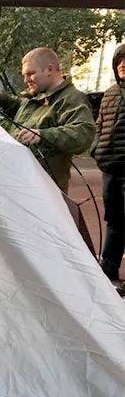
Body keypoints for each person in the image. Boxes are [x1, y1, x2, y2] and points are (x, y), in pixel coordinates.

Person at [0, 47, 95, 193]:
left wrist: (43, 135)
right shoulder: (37, 94)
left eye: (30, 73)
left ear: (49, 69)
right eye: (24, 75)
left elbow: (83, 133)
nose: (26, 80)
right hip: (18, 181)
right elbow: (24, 108)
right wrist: (2, 99)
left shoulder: (72, 99)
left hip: (43, 189)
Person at [92, 44, 125, 285]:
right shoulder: (111, 93)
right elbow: (99, 123)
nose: (123, 64)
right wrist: (96, 148)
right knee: (114, 219)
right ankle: (108, 270)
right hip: (110, 167)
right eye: (120, 61)